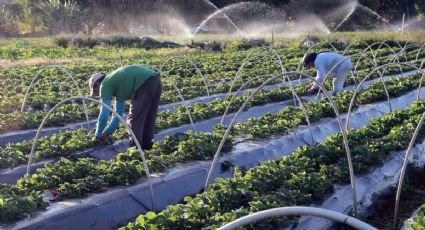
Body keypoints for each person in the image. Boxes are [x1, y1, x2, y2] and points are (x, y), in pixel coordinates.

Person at [88, 64, 162, 150]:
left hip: (144, 83)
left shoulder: (105, 85)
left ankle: (136, 152)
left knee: (134, 121)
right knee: (148, 119)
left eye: (95, 90)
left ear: (97, 84)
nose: (98, 93)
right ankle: (147, 150)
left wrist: (98, 135)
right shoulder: (116, 84)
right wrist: (107, 132)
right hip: (155, 79)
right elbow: (117, 115)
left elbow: (104, 114)